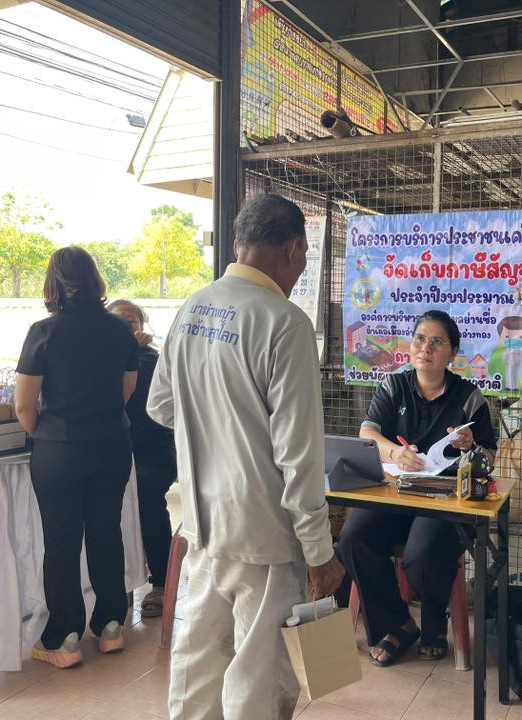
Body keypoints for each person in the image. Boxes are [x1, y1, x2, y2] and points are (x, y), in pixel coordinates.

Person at [147, 193, 345, 720]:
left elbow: (160, 406)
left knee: (197, 669)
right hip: (264, 535)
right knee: (259, 682)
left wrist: (216, 434)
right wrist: (319, 551)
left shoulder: (191, 307)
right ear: (294, 249)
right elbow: (299, 455)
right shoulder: (285, 322)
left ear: (239, 243)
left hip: (201, 525)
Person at [339, 310, 497, 667]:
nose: (426, 347)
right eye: (420, 339)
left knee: (423, 553)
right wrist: (395, 452)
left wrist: (471, 444)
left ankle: (434, 620)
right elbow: (367, 432)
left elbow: (489, 457)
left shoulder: (469, 397)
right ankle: (399, 624)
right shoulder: (393, 386)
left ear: (452, 353)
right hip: (394, 493)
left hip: (445, 501)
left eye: (437, 342)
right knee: (353, 538)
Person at [14, 247, 139, 669]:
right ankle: (111, 626)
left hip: (60, 448)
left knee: (62, 542)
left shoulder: (43, 332)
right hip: (112, 444)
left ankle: (64, 638)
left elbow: (23, 405)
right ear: (94, 279)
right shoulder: (120, 329)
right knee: (106, 532)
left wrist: (47, 434)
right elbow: (126, 390)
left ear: (52, 283)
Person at [107, 299, 176, 619]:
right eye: (117, 322)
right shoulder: (101, 360)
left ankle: (161, 581)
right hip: (116, 451)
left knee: (147, 497)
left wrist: (129, 354)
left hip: (154, 452)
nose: (125, 328)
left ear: (142, 328)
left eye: (131, 322)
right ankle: (116, 583)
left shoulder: (150, 359)